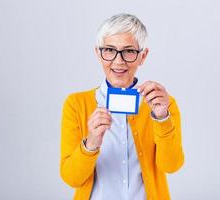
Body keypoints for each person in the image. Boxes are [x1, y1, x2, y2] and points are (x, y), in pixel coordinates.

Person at [60, 13, 184, 200]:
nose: (118, 61)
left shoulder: (162, 104)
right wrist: (91, 143)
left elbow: (171, 166)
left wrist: (162, 118)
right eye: (109, 50)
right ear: (98, 53)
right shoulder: (76, 104)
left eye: (129, 51)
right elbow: (71, 178)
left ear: (143, 56)